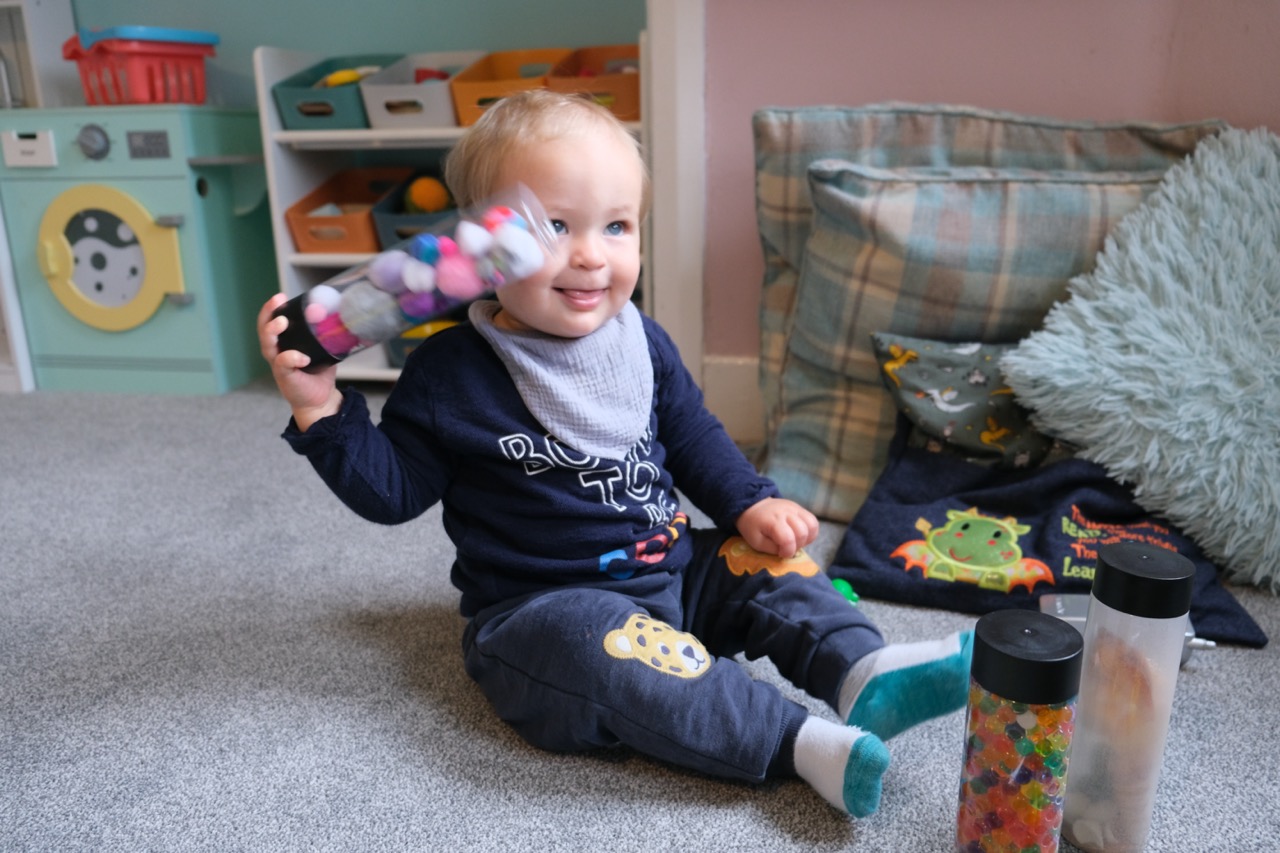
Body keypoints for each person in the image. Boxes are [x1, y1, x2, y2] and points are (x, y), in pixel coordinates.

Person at [256, 89, 973, 818]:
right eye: (557, 226)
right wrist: (324, 408)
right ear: (479, 246)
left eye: (618, 226)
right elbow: (393, 492)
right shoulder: (450, 373)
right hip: (543, 608)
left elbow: (692, 436)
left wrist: (749, 501)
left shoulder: (640, 339)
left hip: (670, 570)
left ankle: (862, 668)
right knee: (606, 657)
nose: (591, 255)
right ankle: (797, 741)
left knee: (766, 564)